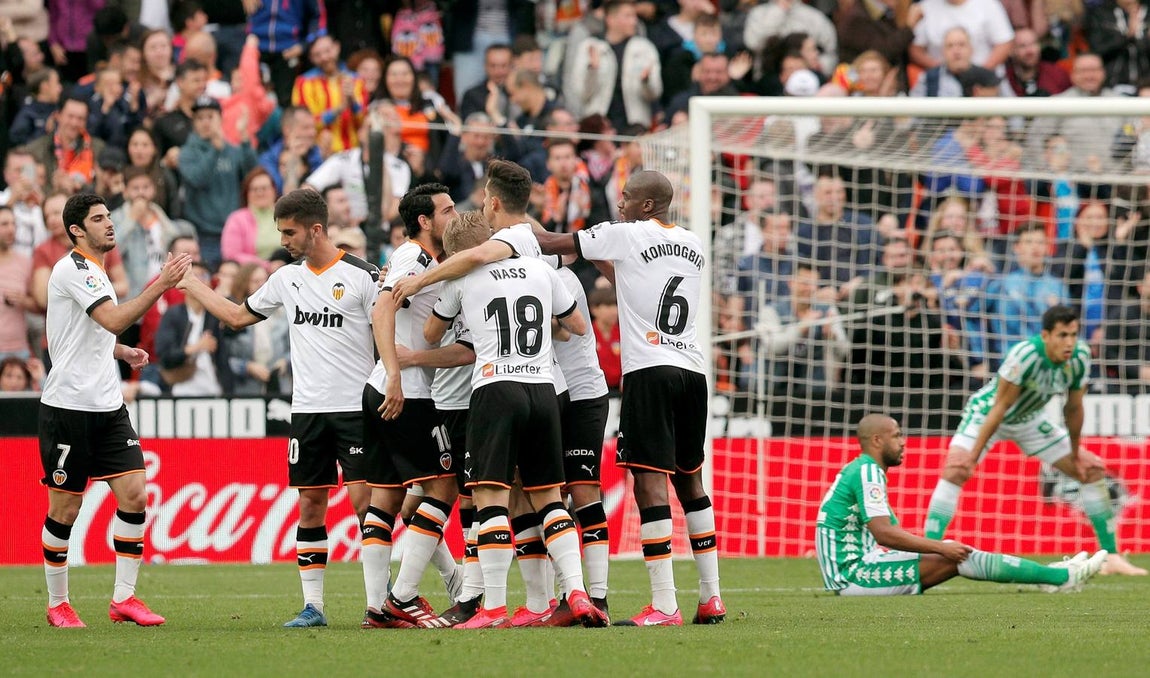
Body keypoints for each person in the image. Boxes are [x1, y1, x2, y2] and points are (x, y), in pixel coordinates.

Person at [176, 189, 381, 627]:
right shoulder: (287, 278)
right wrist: (192, 283)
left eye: (290, 231)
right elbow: (236, 318)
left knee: (368, 505)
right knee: (311, 504)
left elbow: (385, 341)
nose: (284, 240)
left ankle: (382, 603)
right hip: (307, 411)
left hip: (355, 408)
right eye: (281, 231)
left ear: (316, 229)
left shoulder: (364, 277)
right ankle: (314, 607)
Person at [530, 170, 726, 626]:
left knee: (649, 482)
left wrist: (515, 231)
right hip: (692, 371)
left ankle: (664, 604)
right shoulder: (693, 244)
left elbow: (553, 243)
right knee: (690, 481)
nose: (619, 203)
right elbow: (632, 277)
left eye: (626, 197)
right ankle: (711, 597)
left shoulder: (625, 233)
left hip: (649, 370)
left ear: (646, 205)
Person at [422, 191, 608, 630]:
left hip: (496, 387)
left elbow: (431, 334)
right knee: (548, 496)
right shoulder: (541, 269)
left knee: (490, 496)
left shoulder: (461, 278)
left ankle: (492, 608)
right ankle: (577, 591)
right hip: (544, 388)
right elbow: (578, 325)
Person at [38, 193, 193, 628]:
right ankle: (58, 603)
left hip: (108, 405)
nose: (109, 224)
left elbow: (88, 331)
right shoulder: (72, 268)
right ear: (76, 230)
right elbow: (110, 318)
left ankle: (124, 598)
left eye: (109, 217)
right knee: (64, 511)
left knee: (135, 494)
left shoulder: (98, 271)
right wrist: (161, 283)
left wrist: (120, 351)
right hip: (68, 406)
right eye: (99, 219)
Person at [923, 305, 1148, 576]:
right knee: (956, 469)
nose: (1069, 343)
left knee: (1090, 469)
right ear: (1045, 335)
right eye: (1062, 335)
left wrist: (1075, 453)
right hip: (987, 414)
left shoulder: (1079, 356)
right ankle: (930, 552)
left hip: (1029, 419)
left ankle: (1110, 557)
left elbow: (1073, 408)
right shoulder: (1025, 355)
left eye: (1073, 335)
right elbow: (1000, 407)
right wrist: (972, 456)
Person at [816, 413, 1107, 595]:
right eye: (897, 436)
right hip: (854, 576)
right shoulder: (867, 471)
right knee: (955, 556)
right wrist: (940, 546)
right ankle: (1062, 577)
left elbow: (886, 532)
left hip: (855, 569)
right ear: (877, 441)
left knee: (954, 555)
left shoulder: (862, 469)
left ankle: (1052, 576)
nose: (903, 442)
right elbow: (885, 535)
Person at [361, 183, 462, 629]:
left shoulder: (426, 262)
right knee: (444, 487)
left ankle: (375, 608)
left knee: (386, 500)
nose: (454, 216)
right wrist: (397, 374)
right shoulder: (412, 257)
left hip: (380, 387)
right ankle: (402, 598)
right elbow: (381, 310)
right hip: (406, 392)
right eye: (447, 210)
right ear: (424, 221)